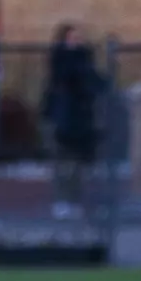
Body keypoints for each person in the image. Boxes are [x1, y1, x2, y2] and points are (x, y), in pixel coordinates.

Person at [42, 23, 104, 218]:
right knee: (62, 163)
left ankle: (75, 200)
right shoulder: (60, 59)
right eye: (73, 38)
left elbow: (96, 84)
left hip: (81, 118)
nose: (77, 41)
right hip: (62, 117)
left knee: (78, 165)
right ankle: (62, 201)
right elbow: (61, 79)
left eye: (79, 37)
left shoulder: (86, 60)